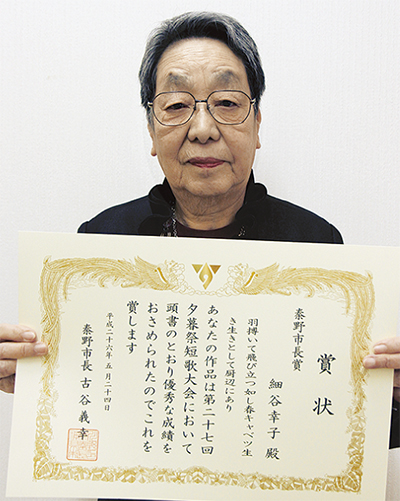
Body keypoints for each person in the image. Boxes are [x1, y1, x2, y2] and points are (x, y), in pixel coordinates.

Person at [0, 9, 398, 460]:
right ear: (151, 130)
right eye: (176, 106)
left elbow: (339, 424)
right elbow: (86, 402)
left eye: (227, 103)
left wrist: (390, 392)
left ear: (257, 124)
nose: (203, 130)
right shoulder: (101, 243)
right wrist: (35, 381)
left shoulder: (316, 245)